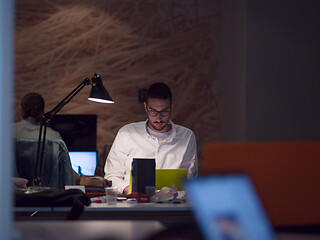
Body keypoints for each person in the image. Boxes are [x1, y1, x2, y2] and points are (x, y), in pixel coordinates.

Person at [104, 82, 198, 194]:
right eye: (153, 111)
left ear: (171, 107)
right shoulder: (127, 133)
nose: (159, 118)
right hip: (132, 204)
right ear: (146, 107)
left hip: (172, 205)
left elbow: (191, 179)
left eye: (164, 111)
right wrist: (130, 190)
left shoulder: (186, 136)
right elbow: (111, 176)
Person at [14, 92, 77, 187]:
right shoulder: (54, 137)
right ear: (43, 112)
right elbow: (66, 173)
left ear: (21, 111)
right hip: (47, 199)